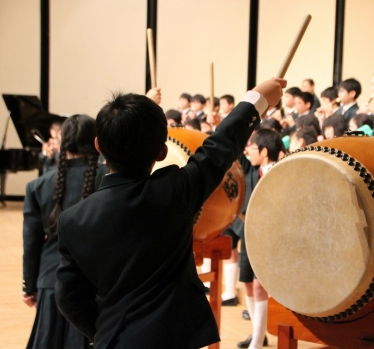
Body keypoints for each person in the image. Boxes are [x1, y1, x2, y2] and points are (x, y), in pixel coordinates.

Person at [54, 78, 285, 349]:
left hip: (113, 339)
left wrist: (106, 331)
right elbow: (220, 147)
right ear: (164, 151)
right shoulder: (173, 192)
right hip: (174, 338)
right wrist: (257, 99)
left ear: (98, 146)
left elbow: (69, 298)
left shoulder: (72, 221)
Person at [23, 115, 108, 349]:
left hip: (51, 281)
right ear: (95, 142)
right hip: (97, 282)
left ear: (63, 142)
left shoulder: (37, 186)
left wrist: (29, 286)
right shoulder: (108, 179)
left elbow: (32, 243)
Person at [237, 129, 285, 349]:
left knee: (259, 287)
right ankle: (258, 332)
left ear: (264, 151)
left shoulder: (282, 172)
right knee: (247, 282)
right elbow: (234, 149)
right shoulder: (250, 169)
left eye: (253, 148)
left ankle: (256, 342)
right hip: (249, 232)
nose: (249, 151)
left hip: (271, 236)